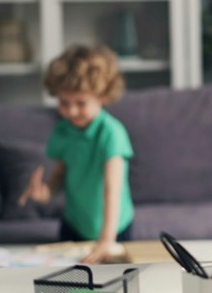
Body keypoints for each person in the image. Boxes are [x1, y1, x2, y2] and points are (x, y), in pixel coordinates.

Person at [19, 45, 135, 264]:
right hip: (74, 223)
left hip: (113, 228)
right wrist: (45, 193)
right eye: (64, 103)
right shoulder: (62, 130)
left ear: (102, 96)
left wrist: (106, 240)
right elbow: (60, 175)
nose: (71, 111)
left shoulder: (111, 133)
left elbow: (113, 190)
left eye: (80, 103)